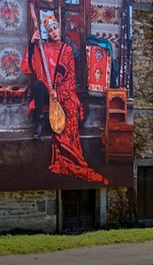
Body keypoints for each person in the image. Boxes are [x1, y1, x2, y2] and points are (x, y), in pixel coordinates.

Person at [22, 15, 108, 184]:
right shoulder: (43, 47)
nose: (54, 32)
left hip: (62, 90)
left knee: (70, 109)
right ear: (48, 33)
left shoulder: (67, 49)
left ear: (59, 30)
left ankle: (70, 156)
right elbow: (31, 64)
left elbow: (65, 73)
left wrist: (58, 91)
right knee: (39, 86)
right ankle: (40, 121)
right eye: (51, 30)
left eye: (56, 29)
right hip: (48, 89)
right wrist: (32, 43)